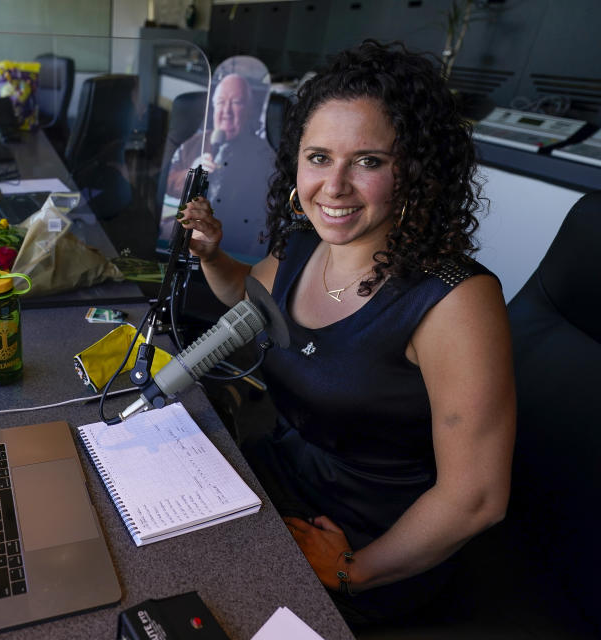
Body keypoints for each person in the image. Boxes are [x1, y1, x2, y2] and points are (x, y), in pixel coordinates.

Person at [177, 41, 516, 628]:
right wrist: (211, 255)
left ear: (415, 169)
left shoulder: (457, 300)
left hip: (374, 540)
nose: (333, 186)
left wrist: (352, 569)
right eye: (318, 157)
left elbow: (477, 498)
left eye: (367, 161)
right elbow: (250, 298)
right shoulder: (304, 242)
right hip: (283, 484)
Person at [164, 72, 276, 258]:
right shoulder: (194, 143)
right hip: (182, 234)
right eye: (221, 102)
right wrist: (190, 172)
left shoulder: (263, 156)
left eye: (236, 103)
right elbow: (166, 185)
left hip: (228, 246)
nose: (227, 111)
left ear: (249, 111)